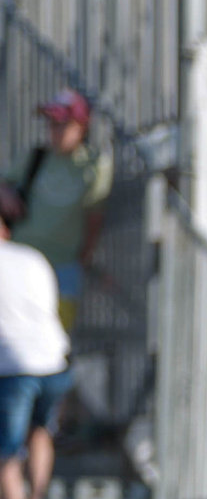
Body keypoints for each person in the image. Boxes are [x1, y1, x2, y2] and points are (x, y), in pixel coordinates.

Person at [0, 199, 69, 499]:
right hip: (54, 361)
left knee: (7, 460)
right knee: (41, 431)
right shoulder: (33, 257)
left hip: (12, 369)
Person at [10, 90, 111, 329]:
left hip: (63, 266)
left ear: (82, 127)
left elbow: (95, 213)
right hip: (21, 261)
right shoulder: (34, 157)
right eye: (51, 124)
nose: (55, 131)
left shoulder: (95, 165)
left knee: (56, 336)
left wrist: (87, 252)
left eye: (63, 125)